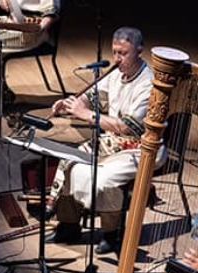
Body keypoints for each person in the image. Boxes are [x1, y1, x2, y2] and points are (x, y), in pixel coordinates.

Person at [44, 26, 167, 254]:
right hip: (115, 141)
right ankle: (68, 226)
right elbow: (91, 96)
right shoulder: (116, 73)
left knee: (104, 179)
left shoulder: (148, 85)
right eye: (115, 52)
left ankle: (112, 234)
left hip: (141, 148)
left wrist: (86, 114)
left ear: (139, 51)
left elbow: (127, 126)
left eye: (123, 53)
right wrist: (71, 104)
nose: (117, 58)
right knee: (70, 161)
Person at [0, 0, 61, 114]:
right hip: (12, 21)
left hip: (34, 29)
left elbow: (52, 12)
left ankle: (0, 94)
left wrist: (38, 28)